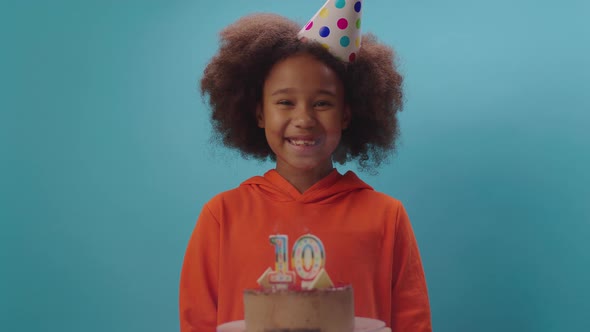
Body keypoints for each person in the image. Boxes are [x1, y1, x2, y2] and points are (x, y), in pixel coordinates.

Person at [180, 4, 432, 332]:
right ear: (258, 114)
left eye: (322, 103)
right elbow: (196, 322)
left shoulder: (386, 216)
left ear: (346, 114)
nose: (304, 119)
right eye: (285, 102)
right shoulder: (221, 216)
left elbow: (413, 323)